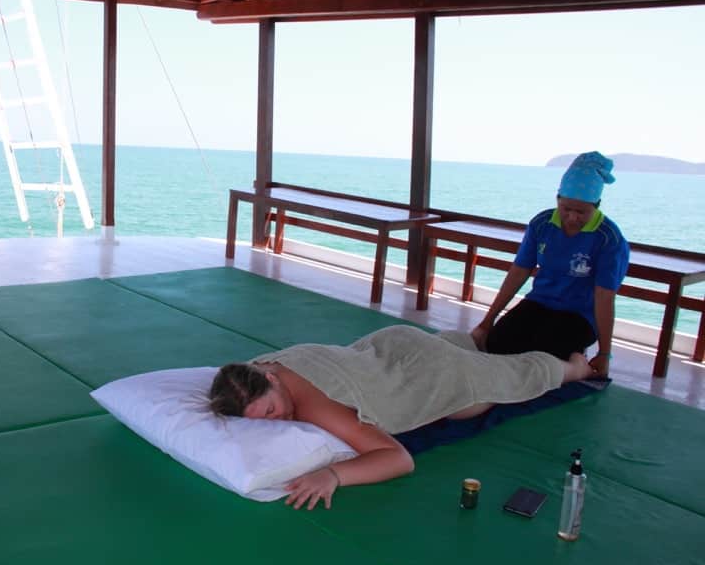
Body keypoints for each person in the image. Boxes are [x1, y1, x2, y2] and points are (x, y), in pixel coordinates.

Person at [208, 325, 596, 511]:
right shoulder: (254, 370)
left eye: (274, 411)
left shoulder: (315, 405)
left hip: (437, 373)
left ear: (271, 378)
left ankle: (577, 367)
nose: (278, 422)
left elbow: (397, 458)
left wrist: (334, 475)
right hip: (390, 344)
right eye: (263, 422)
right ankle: (469, 341)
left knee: (515, 380)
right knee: (469, 352)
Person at [471, 151, 629, 375]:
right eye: (566, 209)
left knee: (543, 356)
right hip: (540, 303)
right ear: (558, 199)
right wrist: (487, 322)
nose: (573, 217)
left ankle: (579, 361)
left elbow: (604, 296)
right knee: (498, 344)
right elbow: (519, 271)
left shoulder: (609, 239)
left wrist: (604, 354)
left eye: (582, 212)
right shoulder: (542, 224)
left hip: (580, 314)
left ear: (597, 205)